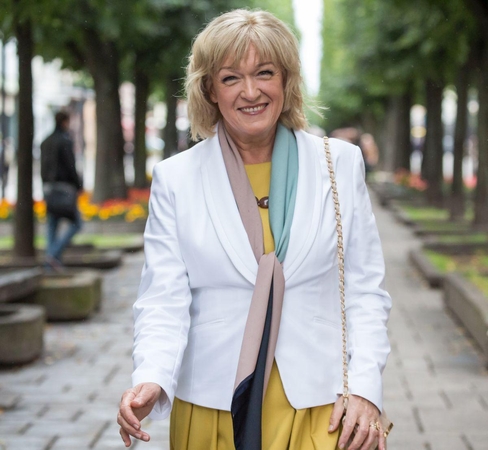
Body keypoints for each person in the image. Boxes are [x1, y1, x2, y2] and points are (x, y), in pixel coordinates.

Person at [118, 9, 391, 450]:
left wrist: (365, 388)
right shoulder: (176, 178)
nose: (250, 92)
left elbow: (365, 290)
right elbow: (163, 299)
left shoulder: (339, 163)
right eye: (231, 78)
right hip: (213, 405)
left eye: (265, 73)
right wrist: (150, 376)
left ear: (286, 80)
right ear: (210, 89)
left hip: (322, 405)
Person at [40, 111, 83, 269]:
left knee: (52, 225)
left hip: (49, 189)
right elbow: (71, 166)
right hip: (64, 188)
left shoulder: (45, 142)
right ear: (64, 121)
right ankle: (53, 255)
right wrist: (78, 185)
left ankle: (49, 264)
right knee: (77, 223)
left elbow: (43, 168)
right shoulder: (65, 141)